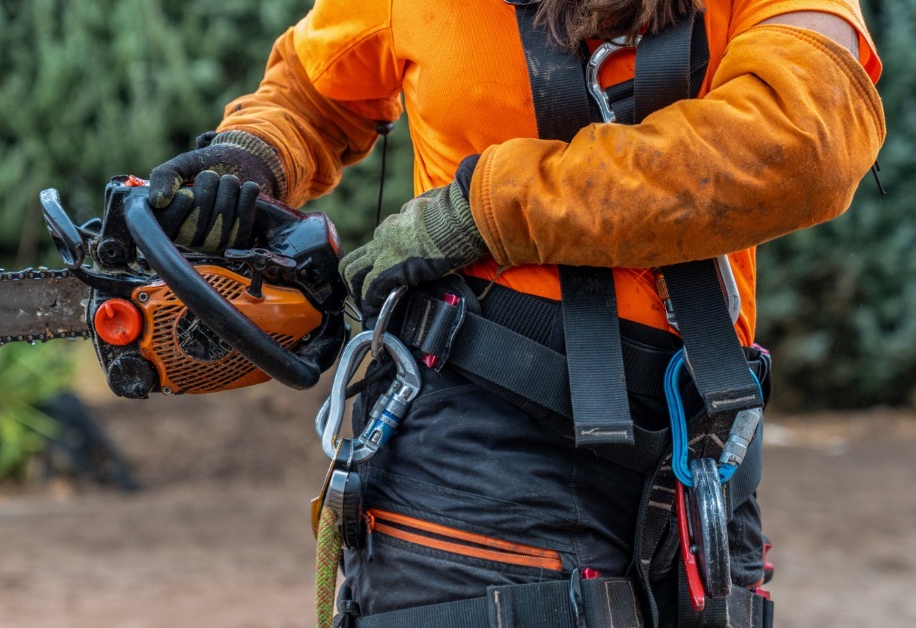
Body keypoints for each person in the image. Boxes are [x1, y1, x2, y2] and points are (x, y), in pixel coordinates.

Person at [146, 0, 884, 625]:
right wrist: (256, 152)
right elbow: (313, 88)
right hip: (475, 447)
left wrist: (489, 208)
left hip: (700, 465)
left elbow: (803, 138)